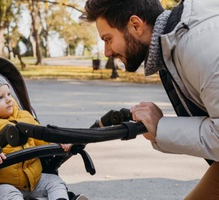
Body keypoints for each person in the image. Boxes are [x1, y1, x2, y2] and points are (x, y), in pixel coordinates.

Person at [81, 0, 219, 199]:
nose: (107, 52)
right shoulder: (174, 44)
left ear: (136, 25)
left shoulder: (199, 46)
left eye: (108, 39)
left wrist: (161, 127)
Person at [0, 71, 87, 200]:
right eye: (0, 98)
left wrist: (57, 142)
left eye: (9, 94)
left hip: (33, 180)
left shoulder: (24, 116)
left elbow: (41, 137)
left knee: (54, 182)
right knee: (8, 195)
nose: (9, 99)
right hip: (1, 184)